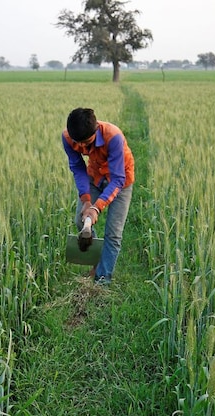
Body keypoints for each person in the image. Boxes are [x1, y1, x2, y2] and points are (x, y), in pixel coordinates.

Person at [62, 107, 134, 285]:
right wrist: (86, 201)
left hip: (121, 181)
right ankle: (96, 264)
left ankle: (103, 280)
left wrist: (96, 207)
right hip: (95, 177)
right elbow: (78, 168)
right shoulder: (67, 138)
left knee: (113, 233)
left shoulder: (113, 137)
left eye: (87, 142)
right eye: (79, 144)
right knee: (81, 220)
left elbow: (118, 179)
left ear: (95, 130)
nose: (83, 148)